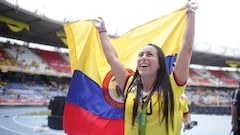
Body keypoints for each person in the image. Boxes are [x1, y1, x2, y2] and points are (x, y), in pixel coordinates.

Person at [92, 1, 198, 134]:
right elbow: (112, 59)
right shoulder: (129, 85)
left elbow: (186, 49)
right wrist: (102, 31)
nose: (143, 57)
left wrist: (190, 13)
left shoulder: (173, 86)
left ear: (160, 63)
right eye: (140, 54)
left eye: (149, 54)